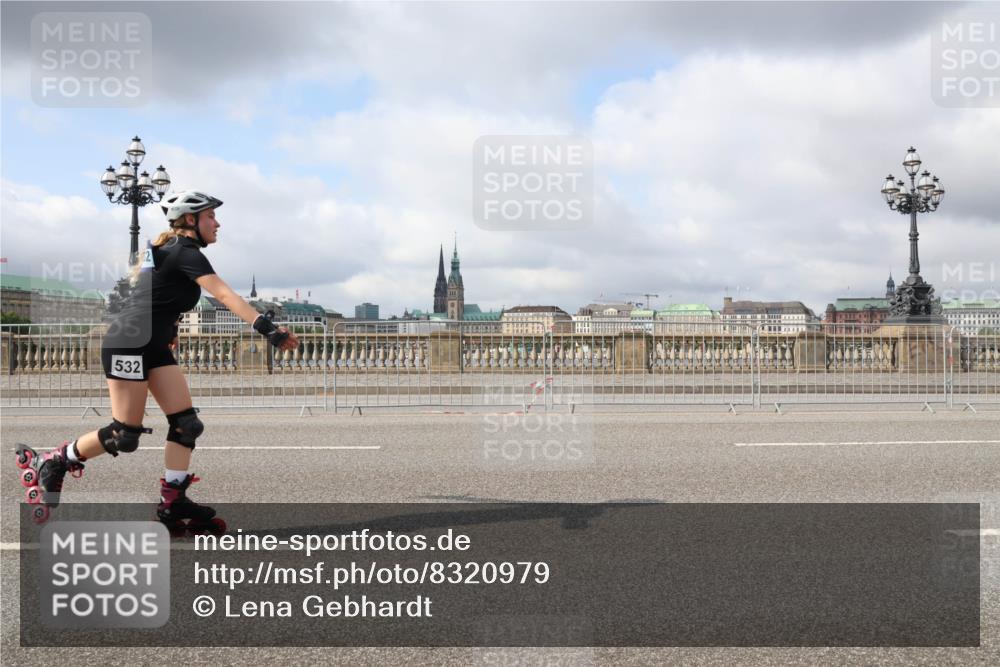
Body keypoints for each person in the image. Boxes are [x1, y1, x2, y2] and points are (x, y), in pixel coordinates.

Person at [16, 191, 299, 530]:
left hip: (153, 345)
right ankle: (54, 460)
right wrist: (267, 329)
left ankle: (172, 501)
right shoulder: (184, 251)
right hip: (129, 344)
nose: (218, 223)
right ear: (191, 219)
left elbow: (156, 295)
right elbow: (224, 295)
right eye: (211, 216)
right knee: (124, 434)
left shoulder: (167, 252)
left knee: (187, 425)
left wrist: (170, 327)